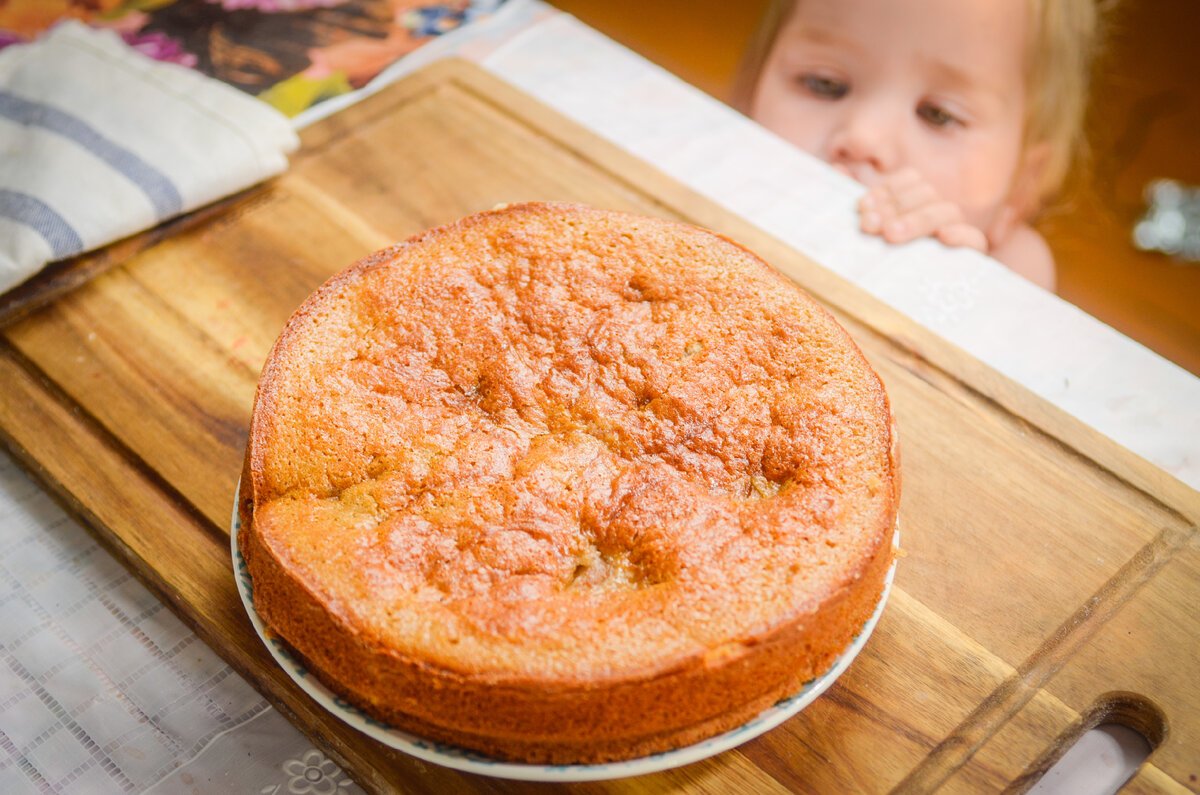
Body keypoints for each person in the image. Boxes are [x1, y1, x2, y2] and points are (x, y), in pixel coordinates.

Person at [735, 0, 1099, 291]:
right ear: (749, 96)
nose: (864, 137)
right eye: (824, 83)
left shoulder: (1016, 270)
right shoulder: (720, 172)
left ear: (1021, 187)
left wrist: (953, 298)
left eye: (937, 115)